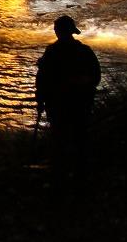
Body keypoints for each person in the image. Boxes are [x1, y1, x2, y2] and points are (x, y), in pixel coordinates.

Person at [36, 15, 101, 179]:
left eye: (56, 29)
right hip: (81, 103)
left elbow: (42, 79)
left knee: (60, 138)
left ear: (58, 31)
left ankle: (60, 172)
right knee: (80, 137)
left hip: (59, 103)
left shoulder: (52, 52)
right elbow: (96, 77)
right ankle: (80, 171)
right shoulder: (85, 51)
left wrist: (40, 100)